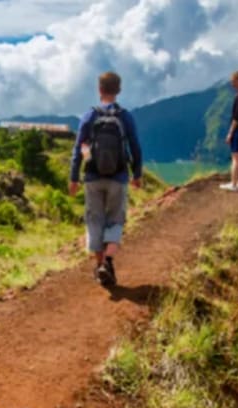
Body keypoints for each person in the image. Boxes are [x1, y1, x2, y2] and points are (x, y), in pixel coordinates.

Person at [69, 71, 143, 287]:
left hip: (92, 177)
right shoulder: (125, 116)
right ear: (118, 90)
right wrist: (137, 174)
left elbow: (77, 149)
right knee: (115, 219)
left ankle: (100, 265)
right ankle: (108, 262)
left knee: (95, 220)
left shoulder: (89, 116)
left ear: (99, 89)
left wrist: (74, 178)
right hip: (118, 177)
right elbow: (135, 147)